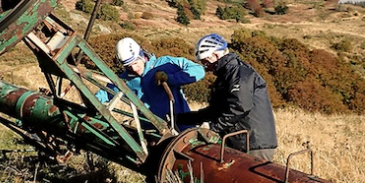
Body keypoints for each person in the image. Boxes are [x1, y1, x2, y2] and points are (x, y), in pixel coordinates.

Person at [176, 33, 278, 161]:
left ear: (217, 55)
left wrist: (213, 128)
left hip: (253, 144)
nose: (207, 68)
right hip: (241, 141)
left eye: (207, 63)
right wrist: (181, 118)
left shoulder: (240, 74)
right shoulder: (226, 76)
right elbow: (215, 111)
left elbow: (239, 107)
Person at [96, 37, 205, 131]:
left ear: (142, 56)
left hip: (182, 127)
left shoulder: (165, 64)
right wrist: (92, 102)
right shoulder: (124, 80)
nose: (134, 68)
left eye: (135, 63)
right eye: (128, 66)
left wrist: (170, 78)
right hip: (152, 133)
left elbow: (198, 70)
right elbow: (106, 93)